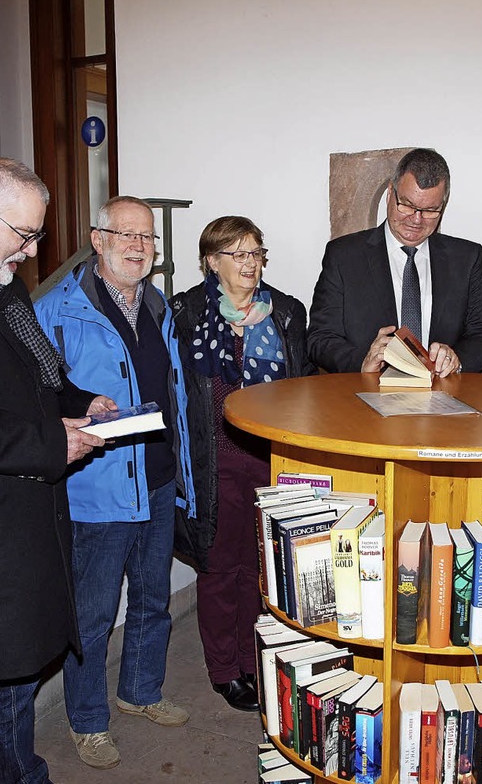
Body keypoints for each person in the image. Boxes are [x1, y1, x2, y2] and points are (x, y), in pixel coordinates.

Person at [34, 196, 196, 770]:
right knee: (94, 614)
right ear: (97, 240)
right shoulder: (57, 311)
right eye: (125, 234)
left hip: (153, 479)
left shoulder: (157, 304)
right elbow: (38, 398)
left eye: (148, 237)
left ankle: (141, 691)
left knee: (154, 600)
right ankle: (87, 721)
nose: (139, 246)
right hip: (96, 490)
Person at [0, 158, 111, 782]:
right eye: (23, 234)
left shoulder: (3, 286)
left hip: (27, 527)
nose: (33, 252)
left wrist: (80, 403)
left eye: (37, 235)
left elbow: (43, 378)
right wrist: (47, 444)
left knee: (17, 680)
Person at [170, 216, 314, 712]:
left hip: (268, 461)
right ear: (212, 261)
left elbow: (304, 384)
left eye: (256, 253)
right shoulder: (187, 313)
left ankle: (255, 661)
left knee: (263, 569)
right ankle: (224, 669)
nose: (250, 263)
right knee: (219, 568)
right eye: (238, 254)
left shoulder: (286, 313)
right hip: (213, 462)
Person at [307, 147, 482, 376]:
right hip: (364, 398)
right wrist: (363, 360)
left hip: (444, 399)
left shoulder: (466, 258)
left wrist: (457, 360)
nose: (416, 220)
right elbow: (320, 338)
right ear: (390, 193)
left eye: (430, 210)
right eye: (406, 205)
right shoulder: (344, 256)